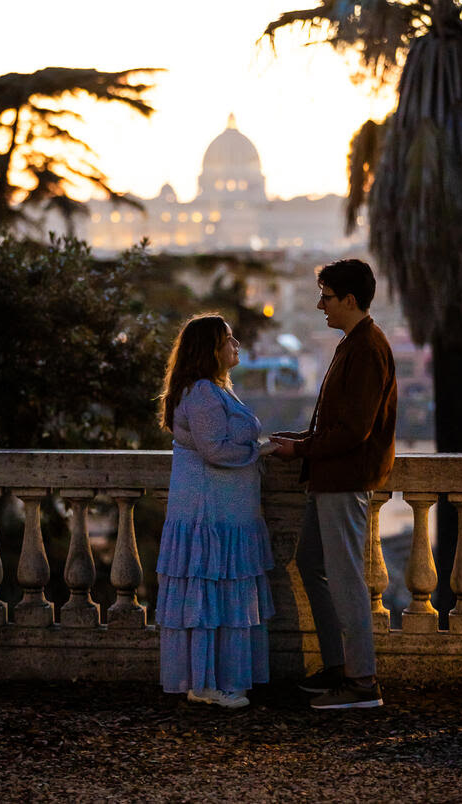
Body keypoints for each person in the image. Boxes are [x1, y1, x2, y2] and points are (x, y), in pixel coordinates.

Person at [271, 259, 397, 710]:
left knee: (345, 579)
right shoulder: (354, 343)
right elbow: (341, 425)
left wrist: (301, 450)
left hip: (345, 480)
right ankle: (340, 667)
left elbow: (354, 431)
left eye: (326, 297)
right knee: (311, 563)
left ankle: (362, 682)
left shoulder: (365, 348)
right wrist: (301, 441)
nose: (319, 305)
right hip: (332, 477)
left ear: (348, 299)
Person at [156, 314, 275, 709]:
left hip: (218, 510)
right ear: (211, 349)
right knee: (213, 595)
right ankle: (209, 682)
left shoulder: (208, 389)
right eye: (228, 339)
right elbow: (215, 449)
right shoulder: (205, 392)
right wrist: (260, 450)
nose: (236, 344)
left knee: (212, 596)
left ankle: (209, 678)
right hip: (213, 512)